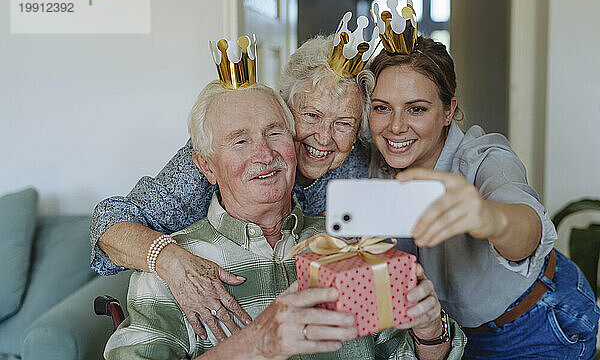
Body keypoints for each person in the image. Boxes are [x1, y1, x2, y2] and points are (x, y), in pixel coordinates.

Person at [104, 80, 465, 360]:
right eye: (240, 141)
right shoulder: (173, 271)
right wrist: (258, 343)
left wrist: (431, 331)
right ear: (206, 166)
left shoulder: (348, 244)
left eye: (274, 133)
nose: (264, 154)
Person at [90, 35, 371, 341]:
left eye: (343, 123)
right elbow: (110, 223)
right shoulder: (214, 157)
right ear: (284, 109)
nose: (324, 137)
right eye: (311, 116)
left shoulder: (358, 162)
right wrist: (172, 260)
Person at [362, 34, 600, 359]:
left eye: (416, 109)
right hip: (451, 338)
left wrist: (488, 217)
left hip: (537, 323)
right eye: (382, 108)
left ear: (448, 111)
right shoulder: (373, 163)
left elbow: (527, 228)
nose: (396, 126)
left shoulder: (484, 158)